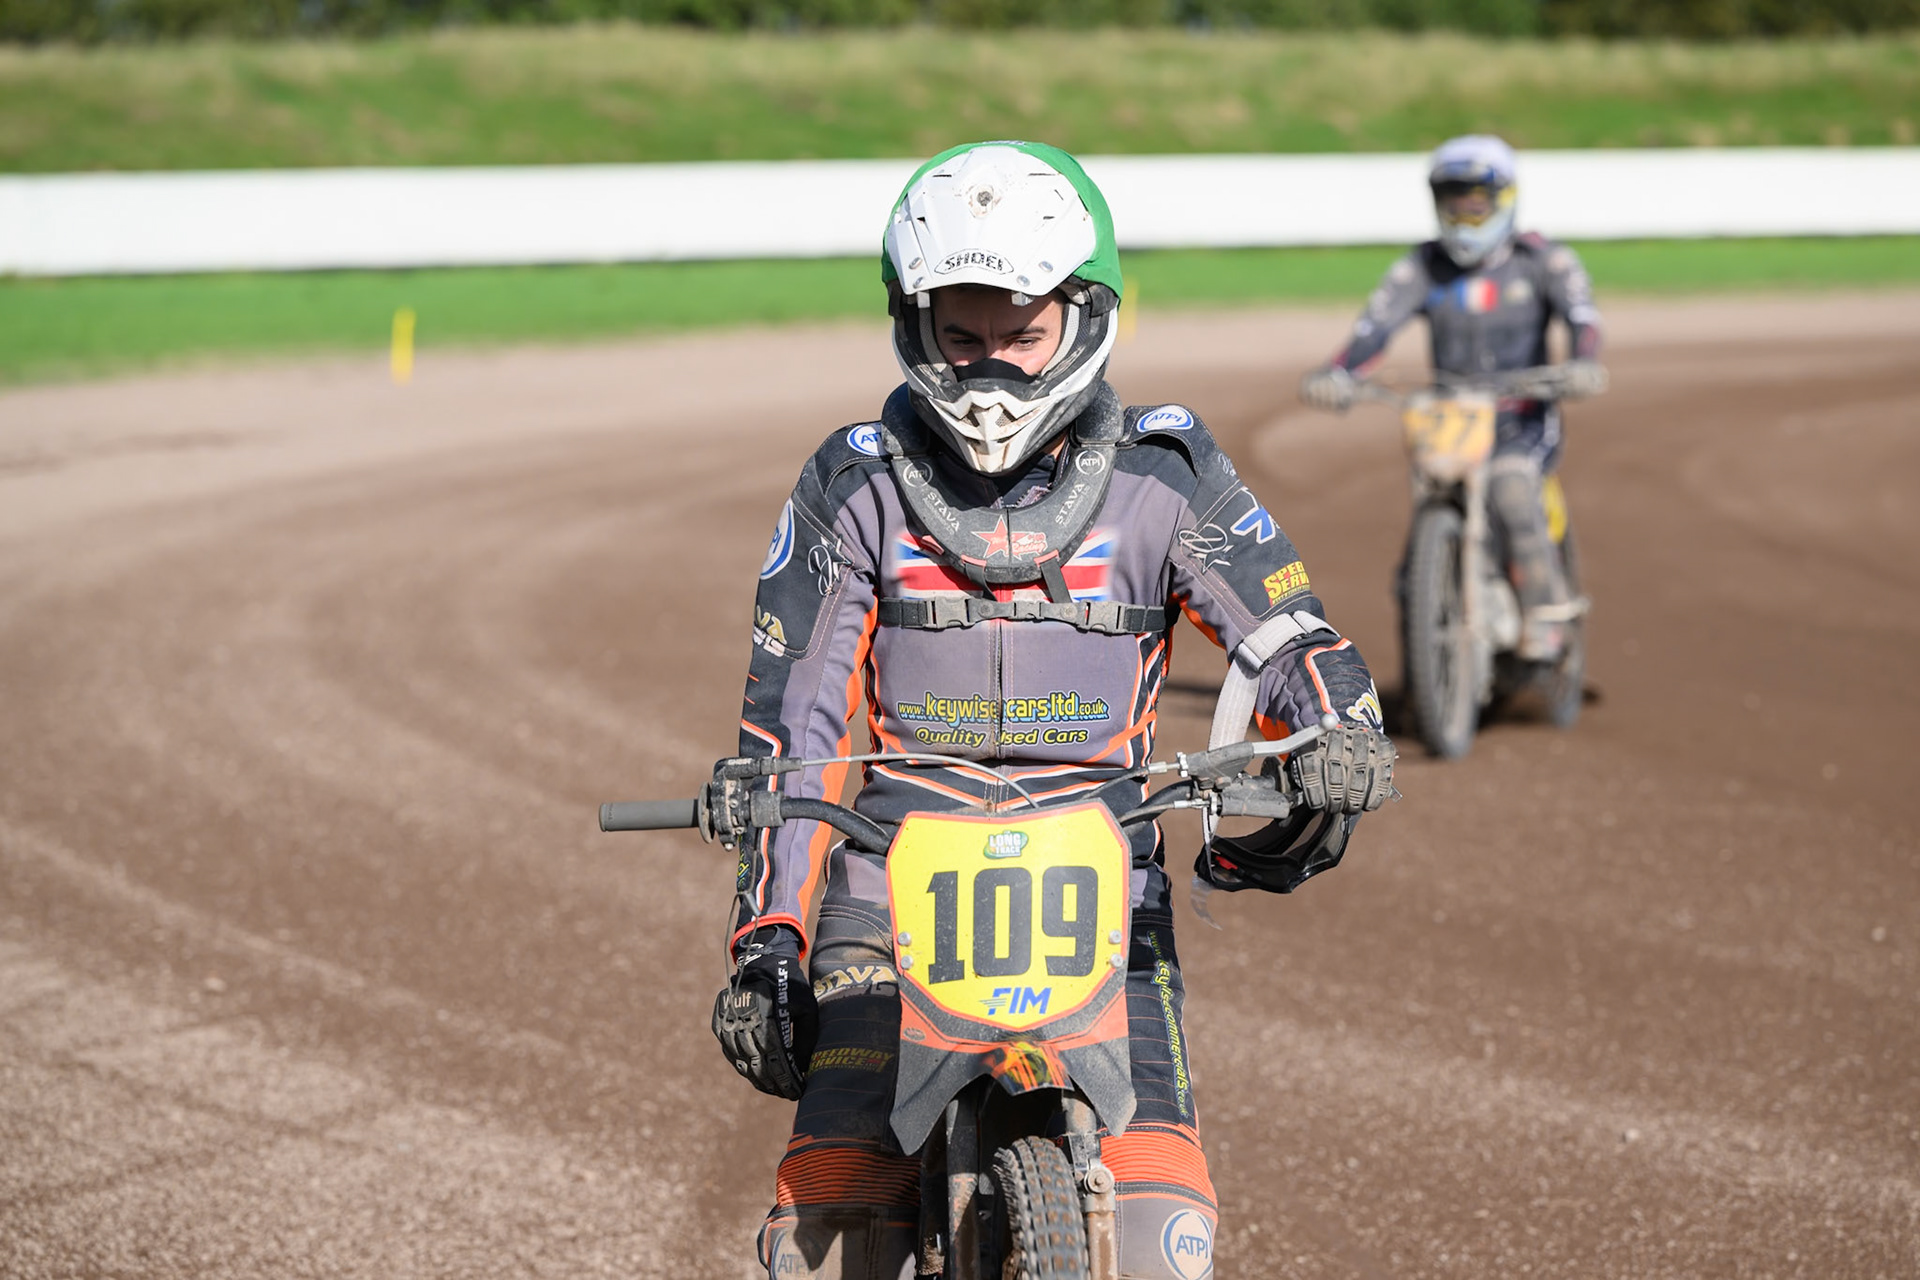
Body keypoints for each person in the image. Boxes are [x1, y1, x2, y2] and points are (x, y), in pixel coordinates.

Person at [713, 140, 1395, 1280]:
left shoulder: (1168, 472)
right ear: (914, 320)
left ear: (1084, 319)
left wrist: (1344, 727)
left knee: (1165, 1240)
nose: (991, 370)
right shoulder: (853, 481)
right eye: (962, 336)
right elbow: (797, 721)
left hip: (1107, 887)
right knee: (824, 1229)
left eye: (1020, 336)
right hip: (883, 885)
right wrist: (766, 937)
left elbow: (1287, 632)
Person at [1300, 134, 1607, 661]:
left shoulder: (1545, 261)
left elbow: (1583, 319)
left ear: (1504, 199)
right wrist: (1337, 373)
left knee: (1512, 487)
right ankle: (1428, 598)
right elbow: (1374, 331)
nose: (1464, 215)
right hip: (1451, 417)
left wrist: (1582, 366)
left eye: (1476, 202)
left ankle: (1544, 612)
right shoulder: (1420, 268)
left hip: (1522, 416)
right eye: (1452, 202)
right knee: (1430, 503)